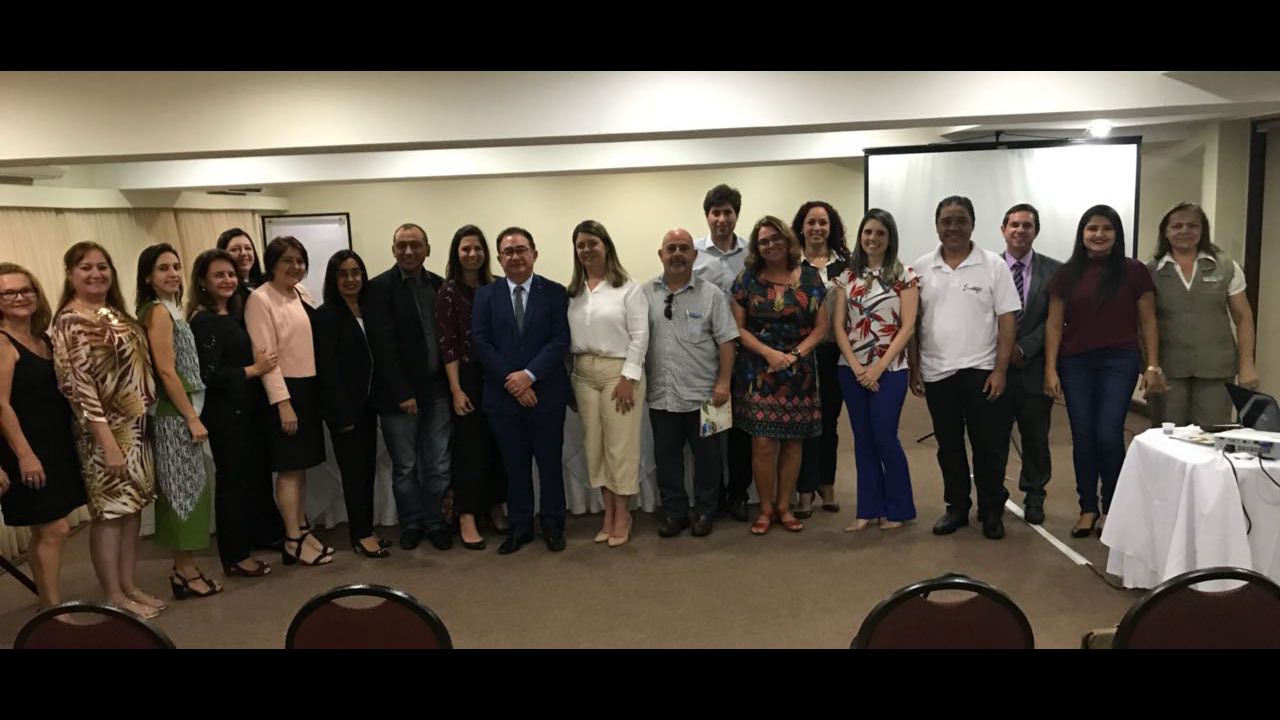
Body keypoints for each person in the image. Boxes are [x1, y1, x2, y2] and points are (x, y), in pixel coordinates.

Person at [51, 242, 164, 617]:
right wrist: (109, 444)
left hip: (135, 428)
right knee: (110, 515)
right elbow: (78, 389)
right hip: (103, 434)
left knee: (132, 511)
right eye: (86, 267)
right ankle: (114, 595)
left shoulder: (113, 313)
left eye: (102, 266)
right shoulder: (70, 321)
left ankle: (129, 586)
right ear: (70, 274)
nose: (96, 274)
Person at [1044, 204, 1162, 538]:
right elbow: (1053, 325)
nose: (1099, 235)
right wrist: (1050, 369)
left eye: (1107, 229)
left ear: (1117, 234)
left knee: (1109, 434)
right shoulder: (1066, 273)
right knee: (1083, 435)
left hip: (1119, 362)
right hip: (1075, 363)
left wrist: (1152, 364)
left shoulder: (1134, 271)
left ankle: (1113, 507)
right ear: (1082, 234)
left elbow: (1148, 321)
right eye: (1092, 228)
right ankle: (1087, 508)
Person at [909, 196, 1021, 540]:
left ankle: (991, 510)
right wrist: (914, 367)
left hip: (982, 371)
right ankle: (956, 507)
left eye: (960, 220)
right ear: (936, 226)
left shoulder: (993, 265)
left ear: (972, 224)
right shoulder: (921, 268)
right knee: (949, 447)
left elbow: (1007, 320)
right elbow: (912, 323)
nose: (953, 227)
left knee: (989, 446)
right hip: (937, 372)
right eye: (946, 221)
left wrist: (1000, 370)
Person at [471, 226, 571, 554]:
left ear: (534, 254)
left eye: (521, 250)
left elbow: (560, 340)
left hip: (547, 394)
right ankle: (520, 526)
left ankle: (553, 524)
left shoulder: (555, 292)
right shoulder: (485, 296)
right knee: (514, 466)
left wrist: (529, 375)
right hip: (503, 398)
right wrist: (513, 382)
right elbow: (482, 343)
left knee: (550, 464)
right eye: (508, 252)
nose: (515, 257)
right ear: (499, 259)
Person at [731, 216, 828, 535]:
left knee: (793, 442)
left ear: (787, 241)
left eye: (775, 238)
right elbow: (738, 328)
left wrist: (794, 355)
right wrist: (770, 354)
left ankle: (785, 507)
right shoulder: (747, 279)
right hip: (759, 369)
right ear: (756, 247)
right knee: (761, 443)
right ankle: (766, 508)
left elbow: (821, 328)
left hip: (799, 371)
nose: (770, 245)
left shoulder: (811, 277)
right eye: (763, 241)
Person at [136, 243, 222, 599]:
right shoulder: (156, 312)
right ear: (147, 277)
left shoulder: (171, 308)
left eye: (175, 266)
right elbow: (166, 371)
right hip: (175, 414)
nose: (172, 273)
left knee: (192, 489)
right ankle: (183, 570)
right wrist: (190, 417)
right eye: (162, 268)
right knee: (181, 493)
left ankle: (185, 566)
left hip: (184, 409)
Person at [187, 249, 279, 578]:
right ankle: (235, 556)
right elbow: (208, 374)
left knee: (247, 481)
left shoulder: (231, 313)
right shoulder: (205, 321)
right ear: (202, 281)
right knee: (233, 484)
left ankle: (251, 542)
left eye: (230, 274)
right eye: (219, 275)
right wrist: (254, 370)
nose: (227, 280)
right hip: (225, 414)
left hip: (244, 410)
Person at [0, 263, 87, 608]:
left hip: (55, 445)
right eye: (8, 293)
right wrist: (25, 455)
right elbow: (1, 405)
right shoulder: (2, 342)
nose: (20, 297)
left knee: (48, 530)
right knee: (55, 529)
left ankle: (48, 603)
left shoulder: (43, 340)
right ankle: (52, 610)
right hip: (25, 449)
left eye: (26, 290)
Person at [363, 223, 454, 551]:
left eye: (415, 244)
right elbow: (382, 347)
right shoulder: (378, 289)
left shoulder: (440, 286)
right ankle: (412, 522)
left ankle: (436, 521)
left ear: (427, 249)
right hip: (398, 396)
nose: (408, 251)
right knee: (405, 467)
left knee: (438, 463)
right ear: (393, 250)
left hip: (438, 391)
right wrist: (403, 393)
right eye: (401, 245)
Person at [245, 236, 334, 566]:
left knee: (301, 468)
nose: (295, 266)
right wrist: (283, 403)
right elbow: (266, 357)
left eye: (299, 260)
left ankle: (302, 529)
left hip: (308, 388)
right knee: (289, 469)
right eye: (287, 260)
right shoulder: (260, 299)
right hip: (286, 391)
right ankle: (292, 539)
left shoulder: (301, 293)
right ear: (272, 264)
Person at [644, 228, 738, 538]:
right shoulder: (645, 294)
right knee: (667, 460)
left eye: (684, 248)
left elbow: (727, 342)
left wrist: (724, 382)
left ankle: (707, 510)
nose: (677, 254)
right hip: (662, 394)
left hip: (708, 396)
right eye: (671, 248)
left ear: (694, 255)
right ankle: (675, 513)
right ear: (661, 255)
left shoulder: (712, 294)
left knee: (709, 460)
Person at [832, 210, 917, 531]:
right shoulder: (847, 277)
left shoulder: (904, 275)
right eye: (868, 232)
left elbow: (907, 327)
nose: (872, 238)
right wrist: (857, 368)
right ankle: (867, 509)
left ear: (890, 237)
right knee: (863, 439)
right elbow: (839, 327)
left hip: (890, 370)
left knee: (884, 436)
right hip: (851, 370)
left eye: (880, 233)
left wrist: (878, 368)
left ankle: (897, 509)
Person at [566, 219, 649, 547]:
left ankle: (622, 515)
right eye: (580, 245)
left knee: (620, 448)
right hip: (583, 374)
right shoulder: (574, 292)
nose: (586, 250)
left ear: (606, 246)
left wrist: (629, 376)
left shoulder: (628, 287)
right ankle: (608, 513)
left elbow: (640, 336)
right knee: (595, 448)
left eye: (592, 243)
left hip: (619, 373)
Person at [1147, 202, 1258, 427]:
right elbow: (1145, 323)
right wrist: (1151, 367)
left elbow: (1243, 318)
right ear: (1165, 232)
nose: (1185, 231)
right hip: (1169, 368)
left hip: (1216, 368)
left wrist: (1247, 365)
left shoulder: (1227, 266)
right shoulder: (1150, 270)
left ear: (1202, 230)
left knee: (1211, 434)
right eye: (1177, 226)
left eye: (1192, 226)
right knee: (1168, 435)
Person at [314, 249, 391, 558]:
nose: (350, 279)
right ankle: (361, 535)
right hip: (344, 409)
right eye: (343, 274)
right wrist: (340, 413)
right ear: (333, 279)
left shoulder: (368, 309)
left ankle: (366, 529)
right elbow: (327, 369)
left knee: (367, 470)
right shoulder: (325, 315)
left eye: (356, 272)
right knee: (354, 474)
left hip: (369, 405)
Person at [436, 225, 508, 550]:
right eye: (466, 248)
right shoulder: (448, 292)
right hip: (465, 377)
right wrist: (456, 389)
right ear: (456, 253)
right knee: (469, 449)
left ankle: (495, 506)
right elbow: (448, 344)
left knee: (498, 445)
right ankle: (466, 515)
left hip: (497, 375)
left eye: (478, 248)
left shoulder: (497, 286)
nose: (472, 254)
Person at [999, 204, 1063, 526]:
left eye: (1027, 225)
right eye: (1014, 224)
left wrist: (1023, 347)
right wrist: (1004, 349)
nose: (1020, 230)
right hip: (994, 369)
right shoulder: (988, 267)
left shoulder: (1055, 271)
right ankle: (993, 496)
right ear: (1003, 230)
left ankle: (1035, 496)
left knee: (1036, 440)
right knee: (993, 439)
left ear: (1035, 231)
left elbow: (1056, 319)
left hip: (1035, 367)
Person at [692, 183, 753, 521]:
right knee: (712, 427)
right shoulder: (694, 253)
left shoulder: (752, 253)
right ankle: (711, 497)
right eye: (715, 212)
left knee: (742, 428)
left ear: (736, 215)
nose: (721, 219)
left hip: (747, 348)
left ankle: (738, 493)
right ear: (707, 216)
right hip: (706, 352)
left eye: (727, 212)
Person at [792, 200, 851, 517]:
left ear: (832, 227)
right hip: (800, 354)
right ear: (801, 227)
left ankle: (826, 484)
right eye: (811, 222)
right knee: (804, 424)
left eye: (823, 223)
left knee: (829, 422)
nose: (817, 228)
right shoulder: (791, 265)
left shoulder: (847, 266)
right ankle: (804, 490)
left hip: (834, 353)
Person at [217, 227, 266, 310]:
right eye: (234, 249)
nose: (243, 253)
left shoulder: (264, 283)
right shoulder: (225, 290)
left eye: (248, 248)